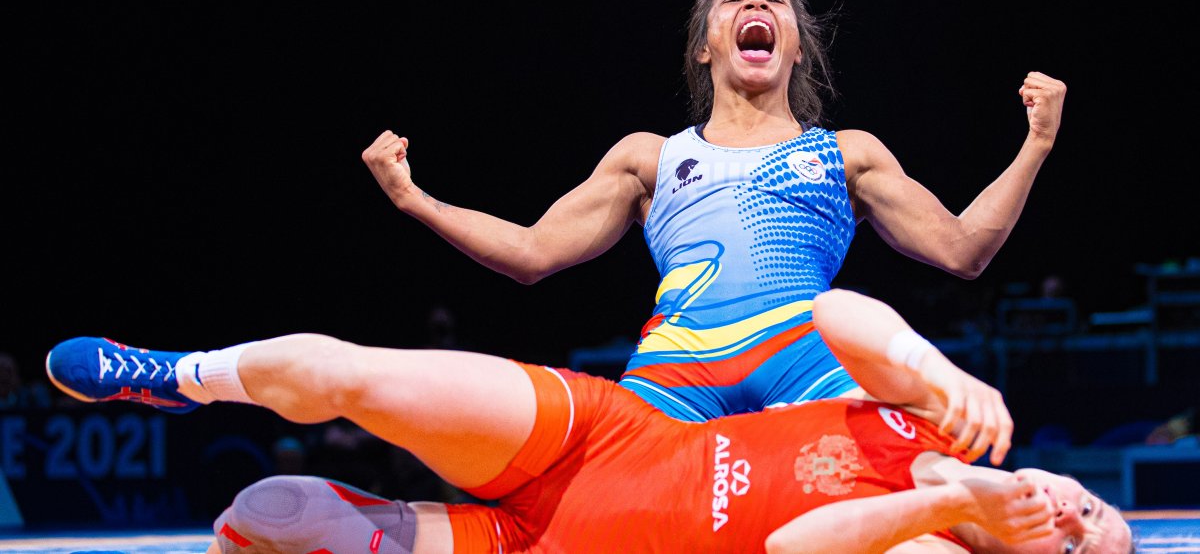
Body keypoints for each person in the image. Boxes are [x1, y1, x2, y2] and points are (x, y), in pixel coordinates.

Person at [361, 0, 1068, 421]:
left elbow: (963, 248)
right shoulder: (649, 159)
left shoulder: (847, 155)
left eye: (774, 1)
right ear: (707, 44)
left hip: (812, 377)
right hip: (674, 380)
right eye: (734, 0)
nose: (755, 3)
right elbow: (530, 251)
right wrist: (413, 198)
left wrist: (1036, 145)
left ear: (795, 43)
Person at [45, 290, 1130, 553]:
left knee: (265, 508)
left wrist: (943, 505)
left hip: (554, 543)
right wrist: (942, 375)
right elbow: (838, 313)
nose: (1081, 514)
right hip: (606, 436)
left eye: (1081, 543)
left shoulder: (929, 532)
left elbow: (796, 545)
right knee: (361, 379)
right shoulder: (943, 423)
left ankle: (374, 517)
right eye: (1095, 510)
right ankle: (177, 372)